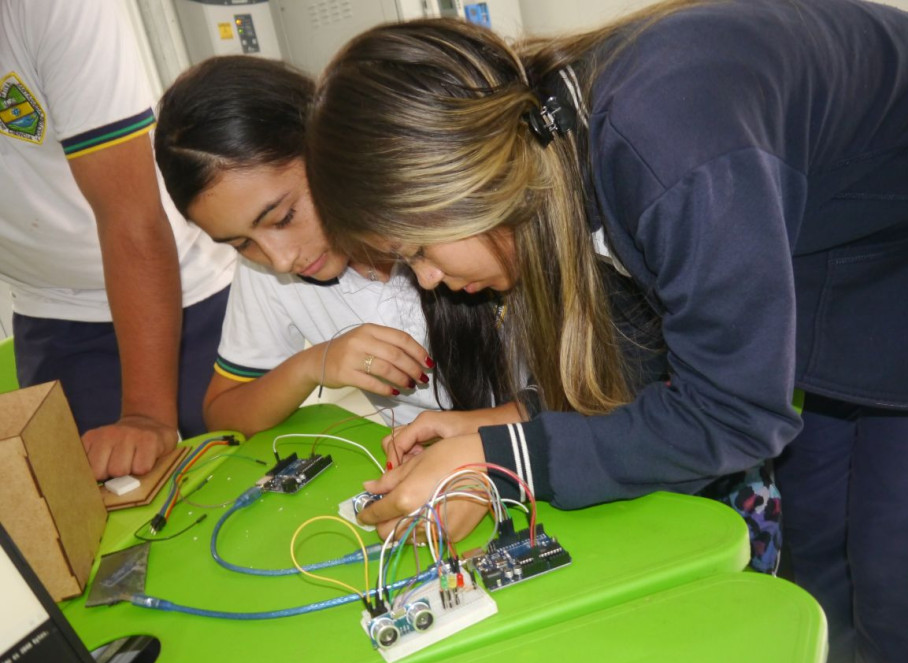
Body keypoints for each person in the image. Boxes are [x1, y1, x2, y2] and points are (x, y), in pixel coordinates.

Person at [304, 2, 908, 663]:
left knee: (896, 569)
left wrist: (500, 458)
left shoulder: (666, 140)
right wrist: (504, 421)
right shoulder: (563, 140)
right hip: (856, 266)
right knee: (819, 539)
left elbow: (730, 416)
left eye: (417, 250)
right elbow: (658, 352)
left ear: (463, 179)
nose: (429, 280)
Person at [154, 55, 521, 436]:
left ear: (327, 151)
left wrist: (475, 435)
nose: (280, 260)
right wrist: (314, 364)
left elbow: (580, 399)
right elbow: (222, 413)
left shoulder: (451, 220)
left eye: (283, 218)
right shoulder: (267, 269)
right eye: (241, 243)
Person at [0, 0, 235, 480]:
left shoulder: (53, 9)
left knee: (233, 494)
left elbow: (130, 215)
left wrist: (146, 416)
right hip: (52, 312)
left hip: (177, 297)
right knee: (91, 522)